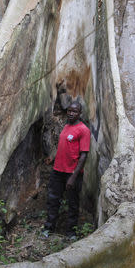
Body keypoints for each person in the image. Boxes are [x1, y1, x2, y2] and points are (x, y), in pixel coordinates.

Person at [43, 101, 90, 239]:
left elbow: (84, 155)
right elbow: (63, 147)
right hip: (58, 171)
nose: (71, 113)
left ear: (80, 113)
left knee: (73, 203)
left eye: (74, 111)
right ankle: (48, 228)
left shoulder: (83, 130)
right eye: (69, 110)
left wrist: (73, 177)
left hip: (72, 173)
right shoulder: (66, 126)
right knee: (53, 200)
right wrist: (53, 157)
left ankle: (71, 233)